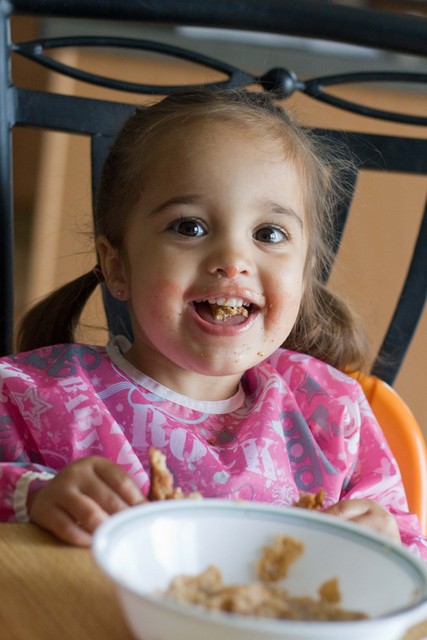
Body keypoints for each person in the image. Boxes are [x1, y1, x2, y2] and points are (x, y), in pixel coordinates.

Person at [0, 89, 425, 557]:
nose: (233, 259)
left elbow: (413, 554)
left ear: (304, 277)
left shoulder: (332, 413)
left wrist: (387, 544)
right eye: (190, 227)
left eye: (269, 234)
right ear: (117, 266)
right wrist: (31, 496)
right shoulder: (33, 397)